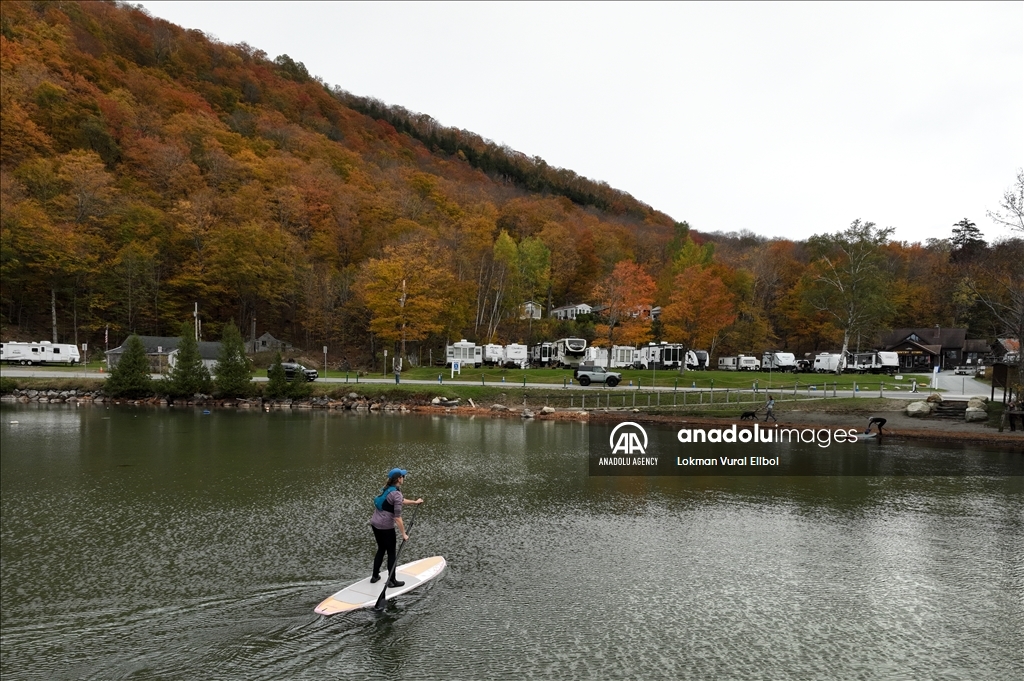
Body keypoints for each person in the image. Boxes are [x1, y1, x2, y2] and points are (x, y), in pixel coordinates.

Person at [370, 468, 423, 586]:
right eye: (403, 476)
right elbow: (397, 518)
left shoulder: (387, 489)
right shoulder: (396, 494)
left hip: (375, 524)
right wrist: (404, 534)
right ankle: (392, 581)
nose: (404, 478)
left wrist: (415, 502)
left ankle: (374, 576)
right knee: (391, 553)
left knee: (381, 549)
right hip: (385, 527)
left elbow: (400, 500)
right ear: (399, 479)